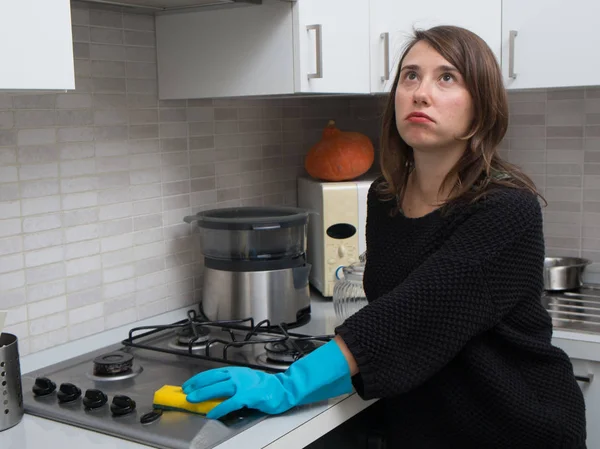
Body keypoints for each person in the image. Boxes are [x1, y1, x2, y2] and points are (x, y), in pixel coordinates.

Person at [182, 25, 587, 448]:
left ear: (481, 107)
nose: (420, 92)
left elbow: (414, 315)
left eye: (446, 77)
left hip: (514, 426)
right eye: (410, 76)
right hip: (426, 425)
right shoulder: (386, 197)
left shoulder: (506, 210)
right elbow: (397, 320)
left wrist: (289, 385)